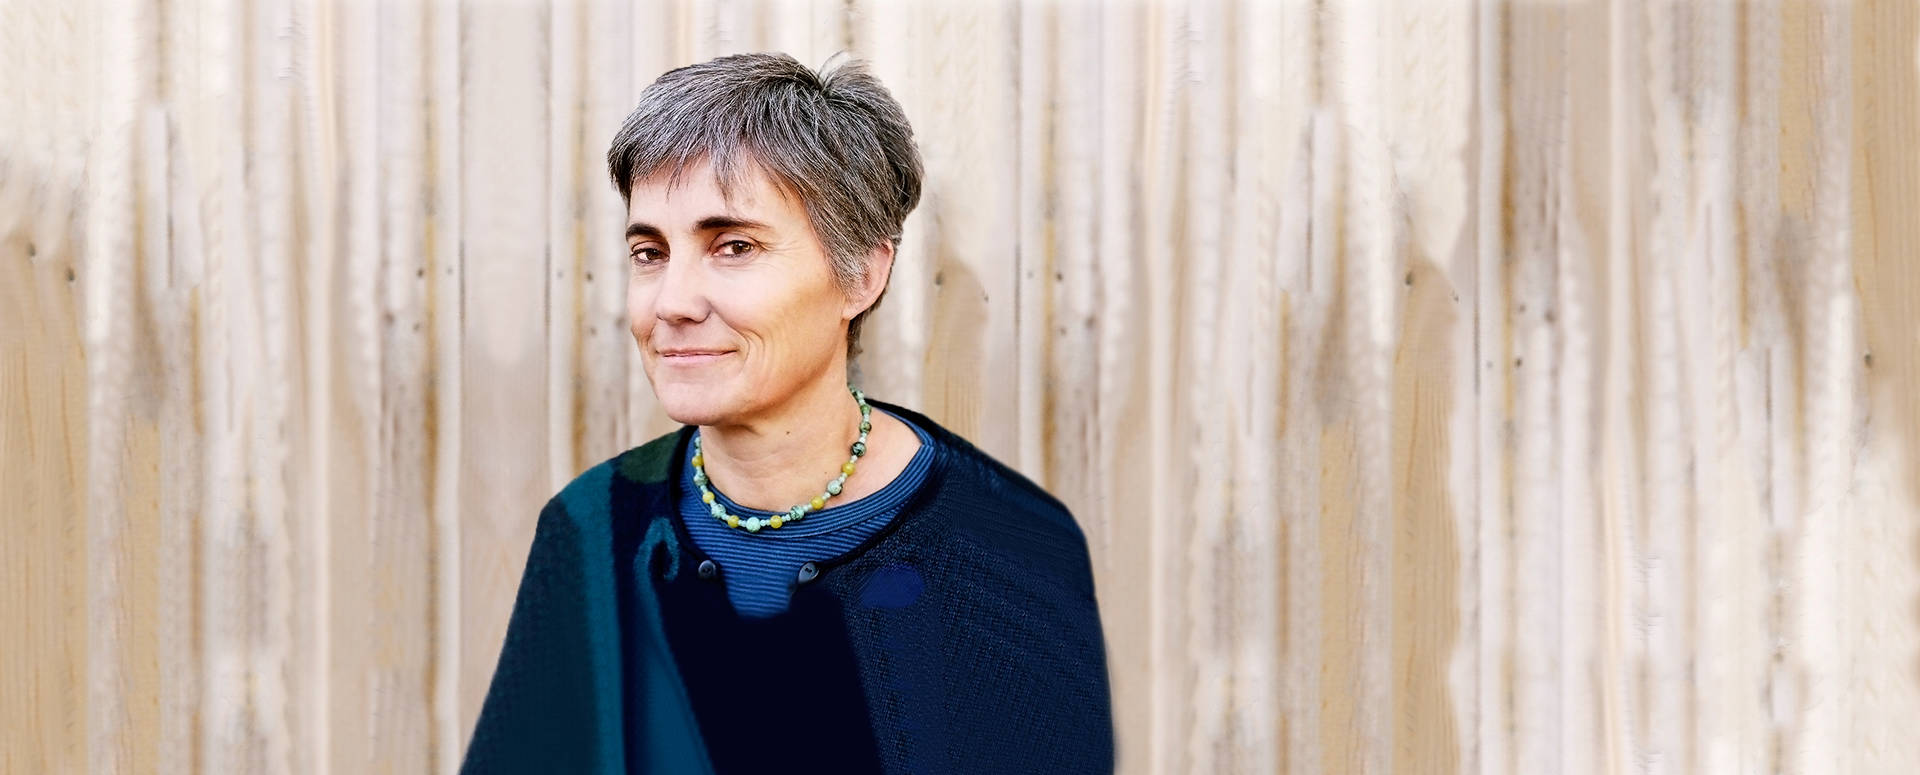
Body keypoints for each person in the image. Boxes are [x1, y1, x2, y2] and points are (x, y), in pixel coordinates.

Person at [460, 51, 1114, 774]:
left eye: (733, 246)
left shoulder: (1014, 547)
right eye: (650, 252)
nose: (672, 302)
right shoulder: (590, 531)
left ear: (861, 274)